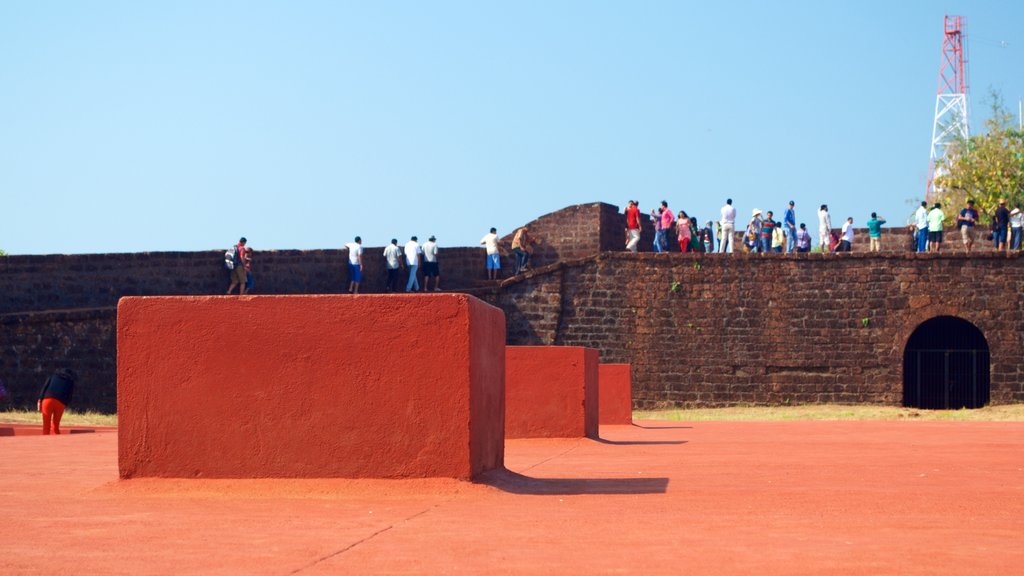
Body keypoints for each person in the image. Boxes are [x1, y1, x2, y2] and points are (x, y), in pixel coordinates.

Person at [38, 368, 76, 435]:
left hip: (47, 400)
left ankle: (45, 442)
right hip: (60, 402)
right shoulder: (70, 381)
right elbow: (69, 395)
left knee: (46, 426)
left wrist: (39, 400)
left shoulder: (52, 376)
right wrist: (65, 404)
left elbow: (44, 388)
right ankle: (57, 442)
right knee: (55, 426)